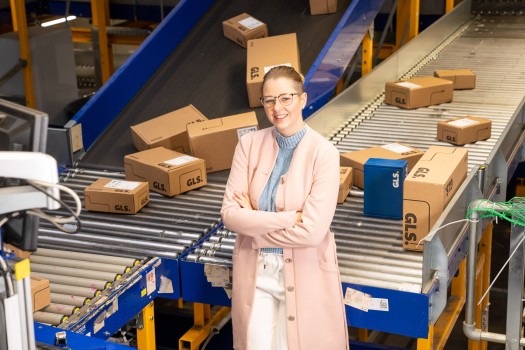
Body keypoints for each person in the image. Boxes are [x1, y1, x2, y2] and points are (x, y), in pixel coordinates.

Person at [221, 65, 348, 350]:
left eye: (286, 98)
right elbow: (230, 215)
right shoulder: (248, 145)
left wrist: (253, 225)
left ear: (302, 100)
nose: (277, 107)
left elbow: (313, 233)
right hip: (257, 273)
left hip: (306, 272)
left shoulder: (324, 153)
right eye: (269, 100)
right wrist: (293, 217)